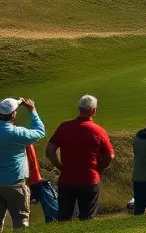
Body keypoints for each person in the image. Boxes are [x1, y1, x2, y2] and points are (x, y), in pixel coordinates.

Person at [0, 97, 45, 233]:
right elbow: (40, 132)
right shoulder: (17, 133)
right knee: (20, 221)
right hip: (15, 183)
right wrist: (33, 110)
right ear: (13, 114)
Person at [45, 94, 114, 222]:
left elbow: (49, 151)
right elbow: (110, 155)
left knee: (64, 218)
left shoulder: (64, 127)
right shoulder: (98, 131)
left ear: (79, 108)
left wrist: (60, 166)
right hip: (89, 179)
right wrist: (100, 168)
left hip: (67, 179)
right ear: (94, 110)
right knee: (87, 219)